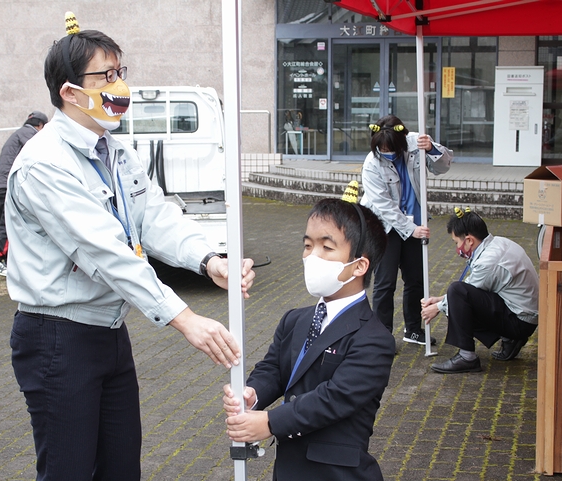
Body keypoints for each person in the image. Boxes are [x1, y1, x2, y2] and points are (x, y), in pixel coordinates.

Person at [5, 22, 255, 481]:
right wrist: (185, 318)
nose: (120, 85)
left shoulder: (114, 151)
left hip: (109, 333)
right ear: (70, 92)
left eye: (121, 71)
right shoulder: (44, 164)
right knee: (70, 471)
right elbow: (106, 253)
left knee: (122, 468)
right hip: (57, 338)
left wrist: (208, 259)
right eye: (106, 76)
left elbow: (155, 216)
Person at [223, 198, 395, 480]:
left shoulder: (374, 338)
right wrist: (253, 394)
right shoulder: (296, 319)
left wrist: (269, 422)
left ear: (359, 265)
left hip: (337, 473)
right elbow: (273, 369)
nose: (311, 256)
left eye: (326, 247)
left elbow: (334, 398)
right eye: (307, 245)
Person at [360, 115, 453, 345]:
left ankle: (413, 330)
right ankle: (382, 338)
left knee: (416, 280)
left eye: (390, 149)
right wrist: (411, 229)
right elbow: (385, 207)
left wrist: (431, 148)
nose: (386, 152)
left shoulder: (416, 143)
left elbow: (443, 166)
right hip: (385, 227)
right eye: (381, 149)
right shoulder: (371, 165)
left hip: (416, 223)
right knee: (385, 283)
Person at [422, 209, 539, 374]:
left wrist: (438, 307)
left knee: (456, 291)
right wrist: (440, 300)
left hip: (520, 321)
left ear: (469, 240)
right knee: (456, 296)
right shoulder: (498, 243)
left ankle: (467, 357)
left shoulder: (488, 261)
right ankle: (511, 339)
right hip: (523, 314)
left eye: (456, 242)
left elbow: (464, 294)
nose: (457, 248)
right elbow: (473, 287)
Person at [0, 111, 48, 276]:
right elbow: (42, 155)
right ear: (40, 125)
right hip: (8, 186)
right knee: (9, 225)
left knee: (5, 224)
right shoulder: (31, 135)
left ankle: (7, 262)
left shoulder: (18, 134)